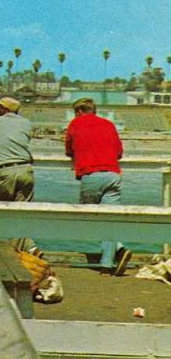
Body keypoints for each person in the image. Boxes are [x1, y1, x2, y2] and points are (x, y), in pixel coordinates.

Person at [65, 97, 131, 276]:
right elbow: (119, 152)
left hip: (91, 174)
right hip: (113, 175)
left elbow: (69, 150)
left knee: (89, 218)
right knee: (109, 218)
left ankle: (118, 247)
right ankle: (108, 263)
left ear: (78, 111)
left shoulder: (75, 124)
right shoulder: (109, 124)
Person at [0, 97, 34, 202]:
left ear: (5, 109)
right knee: (23, 211)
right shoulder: (26, 122)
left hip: (5, 171)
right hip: (26, 170)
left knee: (2, 210)